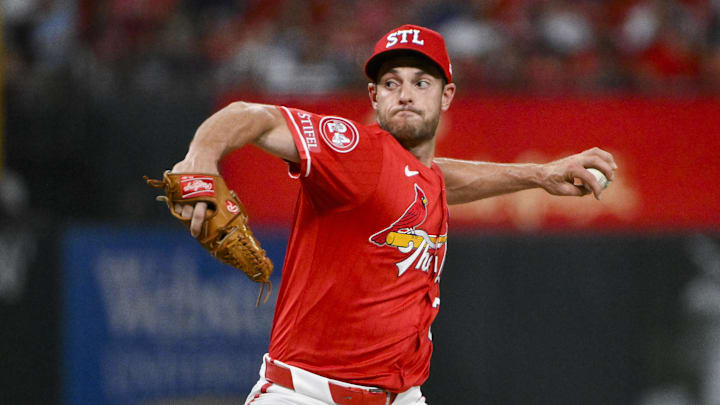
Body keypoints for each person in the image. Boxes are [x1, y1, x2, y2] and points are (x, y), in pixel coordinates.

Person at [170, 24, 617, 405]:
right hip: (308, 395)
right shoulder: (354, 150)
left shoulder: (420, 176)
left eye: (421, 82)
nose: (404, 94)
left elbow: (439, 177)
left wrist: (538, 175)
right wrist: (200, 160)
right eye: (391, 83)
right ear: (374, 96)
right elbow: (252, 116)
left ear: (447, 96)